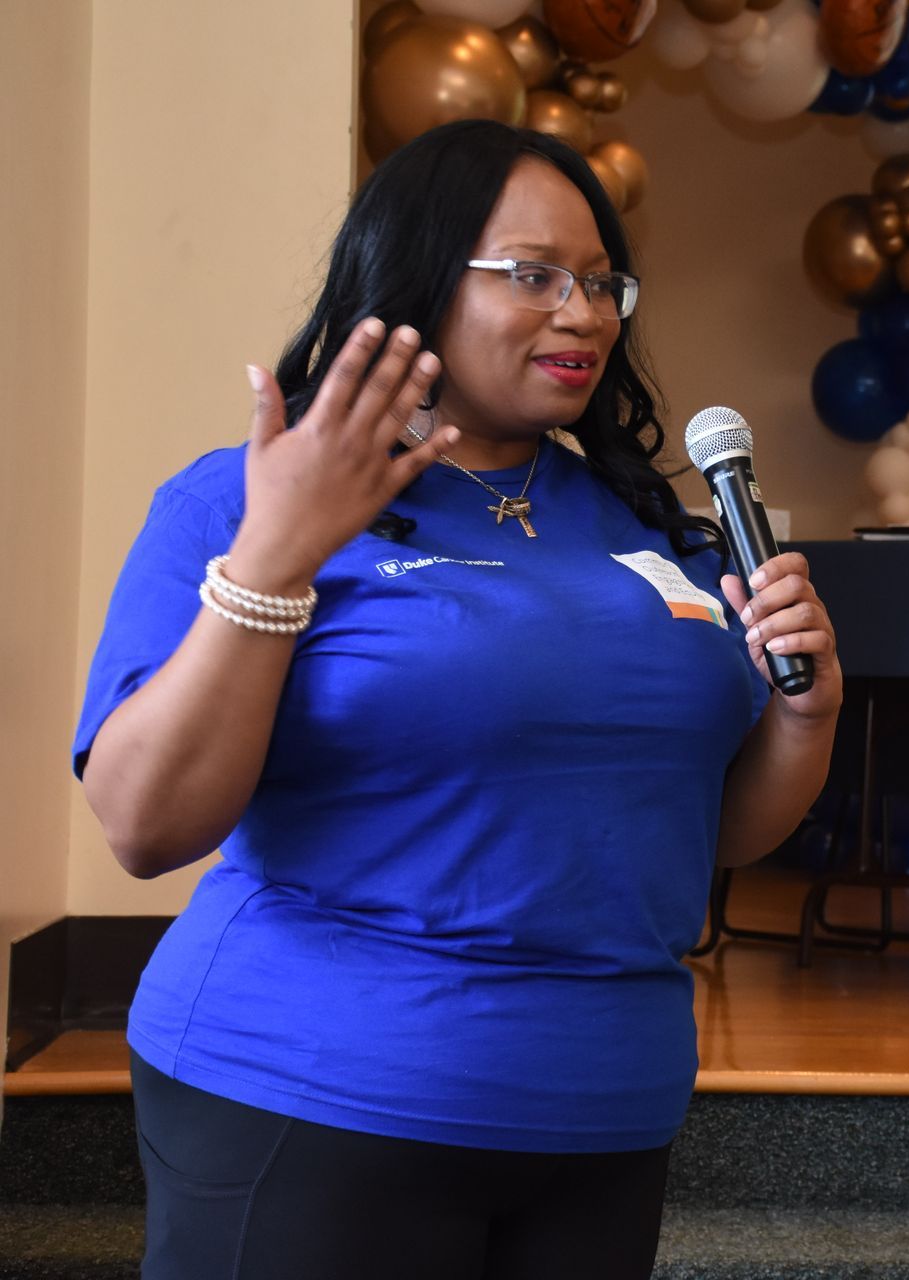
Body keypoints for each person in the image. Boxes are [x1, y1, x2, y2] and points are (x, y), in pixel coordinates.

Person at [73, 120, 842, 1279]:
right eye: (533, 275)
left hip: (602, 1116)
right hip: (317, 1095)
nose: (583, 313)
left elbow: (703, 829)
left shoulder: (647, 530)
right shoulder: (245, 496)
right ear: (420, 275)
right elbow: (145, 823)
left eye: (600, 281)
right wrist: (275, 559)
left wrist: (805, 714)